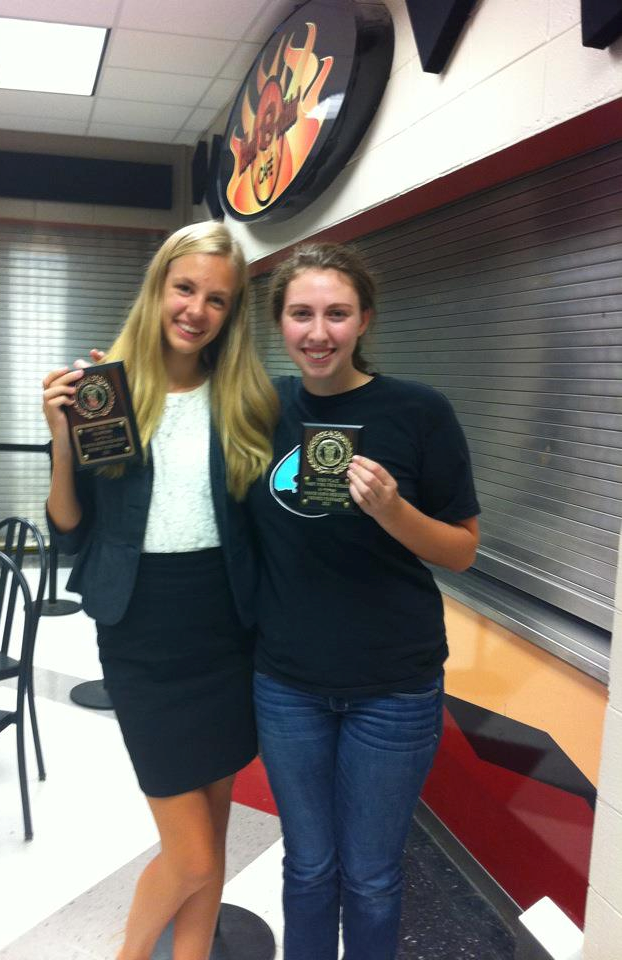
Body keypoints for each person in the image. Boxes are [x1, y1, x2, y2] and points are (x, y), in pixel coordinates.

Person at [42, 221, 278, 960]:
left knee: (212, 831)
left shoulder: (243, 398)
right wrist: (59, 438)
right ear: (157, 289)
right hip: (140, 633)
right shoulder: (104, 393)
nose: (196, 309)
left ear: (230, 312)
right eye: (184, 288)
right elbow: (69, 530)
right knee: (197, 855)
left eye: (216, 298)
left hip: (225, 631)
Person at [245, 242, 480, 960]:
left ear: (364, 320)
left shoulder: (417, 410)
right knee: (308, 867)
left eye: (336, 313)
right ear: (279, 322)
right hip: (287, 683)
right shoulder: (261, 408)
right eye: (301, 314)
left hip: (394, 686)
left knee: (373, 877)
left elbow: (462, 549)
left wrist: (391, 512)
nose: (319, 332)